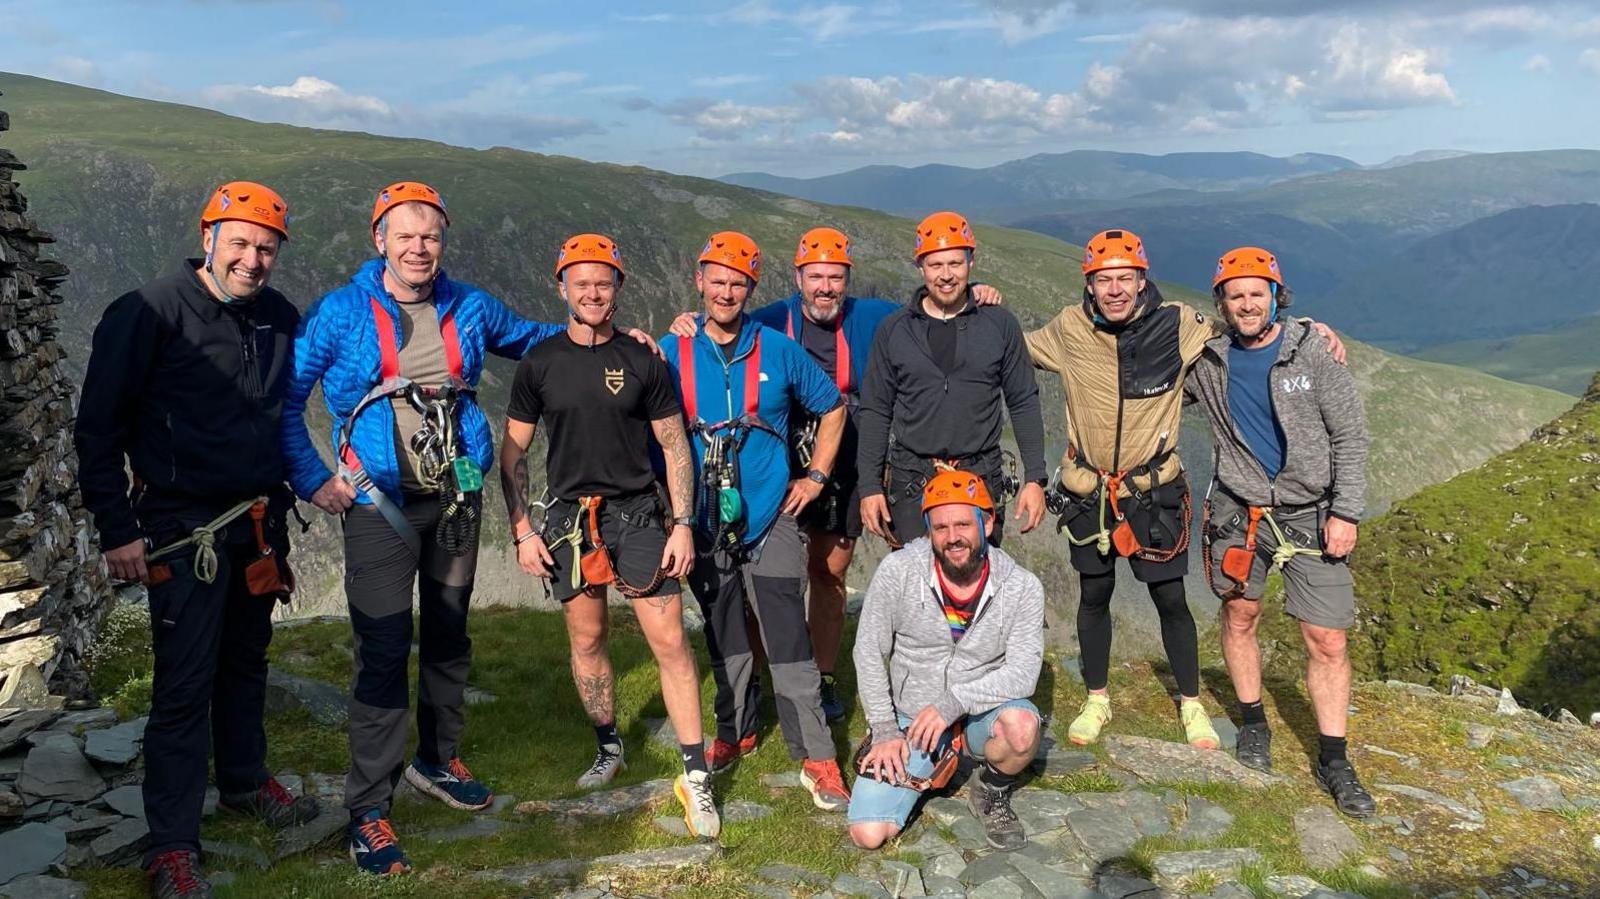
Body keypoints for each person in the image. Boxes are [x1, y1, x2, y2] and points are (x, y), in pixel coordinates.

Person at [282, 182, 656, 874]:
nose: (419, 247)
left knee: (450, 633)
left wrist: (610, 338)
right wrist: (314, 478)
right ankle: (369, 808)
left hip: (454, 500)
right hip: (377, 504)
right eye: (406, 235)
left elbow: (540, 338)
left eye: (430, 236)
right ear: (379, 240)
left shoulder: (469, 305)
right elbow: (286, 399)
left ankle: (437, 757)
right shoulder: (340, 313)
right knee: (385, 645)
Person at [75, 181, 320, 898]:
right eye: (240, 242)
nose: (253, 259)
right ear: (207, 234)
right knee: (183, 683)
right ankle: (172, 844)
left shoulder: (278, 316)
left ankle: (243, 781)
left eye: (267, 248)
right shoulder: (147, 312)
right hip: (184, 530)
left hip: (256, 521)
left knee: (246, 659)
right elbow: (99, 427)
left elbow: (288, 408)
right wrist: (118, 528)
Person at [668, 227, 1001, 722]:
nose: (825, 287)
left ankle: (820, 677)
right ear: (798, 277)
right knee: (764, 573)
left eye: (835, 277)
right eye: (816, 276)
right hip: (774, 450)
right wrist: (687, 322)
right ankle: (762, 678)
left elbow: (932, 307)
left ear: (848, 280)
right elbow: (722, 322)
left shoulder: (871, 316)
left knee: (829, 571)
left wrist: (975, 294)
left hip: (842, 451)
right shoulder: (770, 319)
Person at [498, 233, 719, 838]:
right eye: (582, 283)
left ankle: (695, 775)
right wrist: (521, 530)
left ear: (619, 288)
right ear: (561, 287)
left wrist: (682, 523)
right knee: (588, 638)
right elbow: (513, 452)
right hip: (569, 520)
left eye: (604, 283)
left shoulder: (645, 359)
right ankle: (609, 746)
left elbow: (675, 446)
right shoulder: (539, 363)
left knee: (670, 643)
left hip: (640, 515)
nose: (593, 293)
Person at [662, 231, 853, 810]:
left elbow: (833, 407)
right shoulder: (671, 352)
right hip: (702, 521)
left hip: (771, 516)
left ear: (751, 288)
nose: (726, 291)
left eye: (737, 283)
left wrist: (815, 477)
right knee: (724, 634)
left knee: (787, 637)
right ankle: (735, 730)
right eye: (716, 280)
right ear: (700, 281)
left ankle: (816, 757)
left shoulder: (777, 349)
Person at [1188, 247, 1375, 818]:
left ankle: (1334, 758)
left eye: (1257, 293)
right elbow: (1136, 342)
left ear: (1276, 296)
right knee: (1240, 614)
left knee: (1328, 639)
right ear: (1221, 303)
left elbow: (1351, 437)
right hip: (1239, 512)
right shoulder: (1207, 359)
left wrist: (1346, 511)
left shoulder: (1313, 350)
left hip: (1312, 513)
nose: (1246, 303)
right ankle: (1252, 722)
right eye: (1235, 295)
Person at [1023, 228, 1221, 751]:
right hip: (1088, 488)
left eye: (1124, 278)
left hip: (1153, 488)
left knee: (1171, 597)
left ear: (1141, 279)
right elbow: (1007, 351)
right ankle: (1097, 697)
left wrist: (1307, 331)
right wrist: (980, 304)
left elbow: (1244, 334)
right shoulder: (1068, 329)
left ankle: (1191, 704)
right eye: (1103, 280)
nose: (1114, 289)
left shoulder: (1178, 324)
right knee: (1094, 594)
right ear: (1089, 285)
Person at [849, 471, 1044, 852]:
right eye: (940, 527)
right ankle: (924, 766)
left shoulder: (1022, 587)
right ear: (928, 531)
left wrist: (953, 702)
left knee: (1022, 727)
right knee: (868, 834)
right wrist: (885, 729)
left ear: (987, 522)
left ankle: (990, 786)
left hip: (980, 712)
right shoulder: (899, 571)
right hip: (912, 717)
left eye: (962, 524)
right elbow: (868, 650)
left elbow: (1023, 673)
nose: (952, 537)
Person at [856, 211, 1047, 550]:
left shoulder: (999, 324)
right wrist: (870, 486)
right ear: (920, 267)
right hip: (912, 477)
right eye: (936, 265)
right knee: (916, 584)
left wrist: (1035, 478)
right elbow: (875, 410)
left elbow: (1023, 401)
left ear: (970, 263)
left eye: (955, 264)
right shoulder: (894, 331)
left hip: (980, 473)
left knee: (977, 580)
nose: (946, 275)